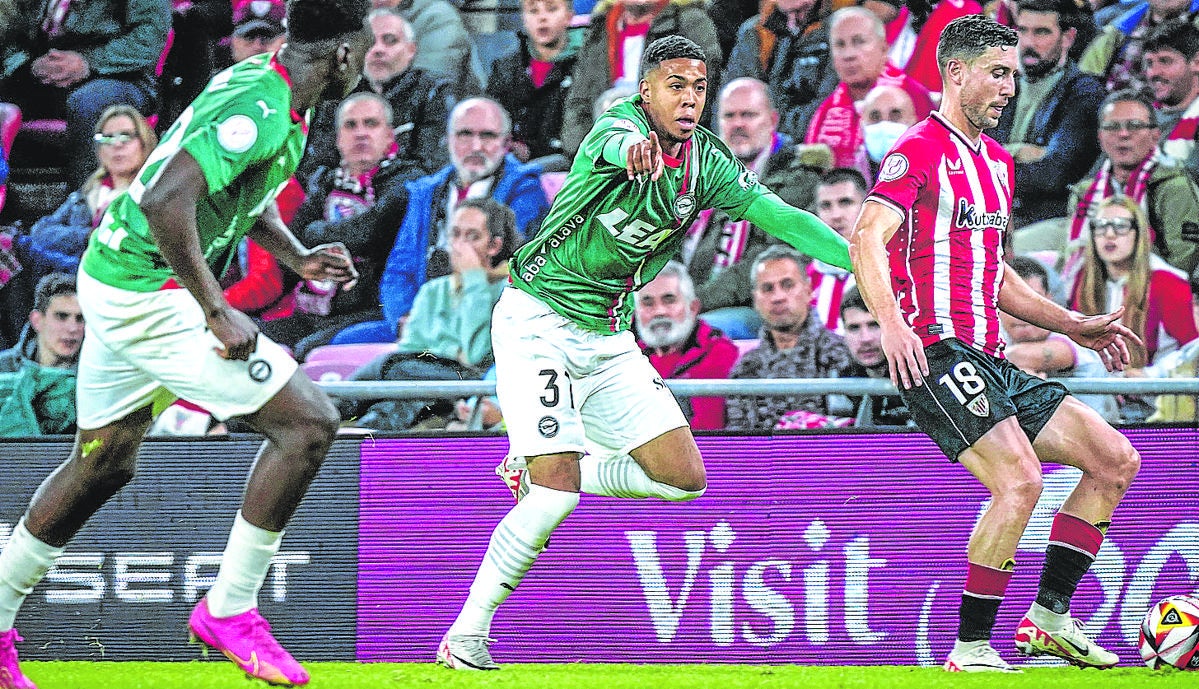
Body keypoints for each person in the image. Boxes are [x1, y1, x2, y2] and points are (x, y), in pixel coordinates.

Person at [437, 35, 852, 671]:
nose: (689, 99)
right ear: (646, 90)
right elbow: (610, 141)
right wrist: (629, 148)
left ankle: (545, 468)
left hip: (609, 336)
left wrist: (856, 262)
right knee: (553, 499)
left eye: (698, 89)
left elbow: (782, 217)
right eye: (675, 86)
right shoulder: (620, 128)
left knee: (684, 481)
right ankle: (467, 634)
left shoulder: (706, 162)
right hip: (538, 322)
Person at [0, 1, 371, 687]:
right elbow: (165, 199)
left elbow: (236, 191)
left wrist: (295, 257)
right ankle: (229, 610)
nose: (367, 63)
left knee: (103, 460)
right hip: (148, 291)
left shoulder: (276, 88)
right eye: (367, 50)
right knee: (309, 423)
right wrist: (215, 308)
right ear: (344, 55)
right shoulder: (260, 106)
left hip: (115, 276)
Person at [850, 14, 1142, 673]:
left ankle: (1047, 618)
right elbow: (866, 234)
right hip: (935, 351)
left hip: (993, 357)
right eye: (997, 73)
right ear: (955, 73)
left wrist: (1073, 324)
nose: (1009, 86)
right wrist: (891, 322)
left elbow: (994, 272)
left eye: (1012, 74)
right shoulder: (918, 148)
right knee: (1019, 480)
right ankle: (969, 647)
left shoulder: (997, 163)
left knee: (1112, 459)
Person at [340, 97, 550, 345]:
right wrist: (404, 318)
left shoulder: (525, 191)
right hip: (422, 317)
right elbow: (398, 270)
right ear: (449, 139)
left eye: (488, 136)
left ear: (506, 144)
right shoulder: (425, 192)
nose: (476, 146)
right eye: (465, 134)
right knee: (342, 342)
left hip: (486, 324)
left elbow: (518, 271)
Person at [341, 198, 516, 431]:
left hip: (471, 381)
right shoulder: (433, 290)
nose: (460, 245)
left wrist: (475, 281)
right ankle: (364, 423)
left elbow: (475, 354)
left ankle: (336, 410)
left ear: (494, 246)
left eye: (472, 236)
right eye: (455, 234)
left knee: (396, 367)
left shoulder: (507, 291)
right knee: (404, 378)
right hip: (419, 378)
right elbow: (410, 349)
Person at [683, 77, 832, 340]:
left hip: (750, 308)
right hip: (689, 301)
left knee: (703, 332)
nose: (738, 124)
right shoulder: (698, 176)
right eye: (729, 116)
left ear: (772, 121)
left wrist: (693, 303)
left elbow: (765, 261)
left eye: (748, 115)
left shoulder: (798, 179)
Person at [261, 92, 407, 359]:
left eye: (371, 124)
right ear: (338, 138)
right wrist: (314, 235)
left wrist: (317, 231)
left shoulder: (405, 181)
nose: (361, 133)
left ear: (389, 135)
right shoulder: (326, 179)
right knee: (253, 340)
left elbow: (367, 233)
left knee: (309, 353)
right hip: (311, 310)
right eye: (351, 125)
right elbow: (294, 242)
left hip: (367, 310)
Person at [0, 0, 170, 188]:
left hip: (120, 75)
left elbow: (147, 40)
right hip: (45, 70)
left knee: (89, 102)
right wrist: (29, 65)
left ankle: (86, 207)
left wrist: (88, 62)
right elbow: (13, 36)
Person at [298, 7, 456, 182]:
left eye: (390, 40)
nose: (378, 49)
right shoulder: (336, 94)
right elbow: (313, 167)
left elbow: (432, 169)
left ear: (411, 50)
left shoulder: (433, 92)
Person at [1065, 90, 1199, 289]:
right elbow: (1072, 254)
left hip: (1156, 292)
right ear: (1100, 137)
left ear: (1155, 135)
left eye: (1134, 126)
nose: (1123, 134)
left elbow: (1182, 263)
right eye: (1112, 127)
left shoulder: (1174, 186)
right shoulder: (1085, 192)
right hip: (1096, 290)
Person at [992, 0, 1105, 228]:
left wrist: (997, 157)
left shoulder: (1084, 93)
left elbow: (1052, 176)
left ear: (1068, 38)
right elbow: (969, 155)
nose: (1028, 43)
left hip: (1051, 220)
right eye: (1022, 31)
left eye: (1041, 32)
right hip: (996, 212)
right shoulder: (1000, 86)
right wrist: (1019, 151)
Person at [560, 0, 724, 156]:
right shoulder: (600, 28)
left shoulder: (690, 23)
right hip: (602, 150)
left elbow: (697, 98)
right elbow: (578, 103)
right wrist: (589, 151)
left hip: (667, 152)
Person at [23, 105, 157, 284]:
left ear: (144, 143)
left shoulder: (152, 195)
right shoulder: (87, 192)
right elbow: (41, 231)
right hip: (70, 280)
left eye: (126, 136)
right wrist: (89, 235)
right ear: (99, 150)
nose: (117, 144)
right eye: (107, 138)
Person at [725, 244, 853, 430]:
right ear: (755, 299)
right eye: (768, 288)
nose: (778, 297)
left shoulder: (840, 355)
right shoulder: (746, 368)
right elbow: (738, 439)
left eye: (787, 285)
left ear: (809, 290)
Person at [805, 7, 935, 175]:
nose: (848, 54)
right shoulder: (826, 111)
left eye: (859, 42)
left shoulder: (913, 98)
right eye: (840, 45)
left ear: (883, 48)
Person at [1071, 196, 1198, 368]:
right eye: (1100, 226)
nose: (1109, 234)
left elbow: (1192, 349)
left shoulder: (1168, 282)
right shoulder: (1081, 279)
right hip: (1099, 383)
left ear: (1140, 234)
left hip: (1155, 387)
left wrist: (1150, 375)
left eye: (1121, 226)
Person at [1002, 255, 1119, 422]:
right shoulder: (992, 329)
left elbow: (1018, 357)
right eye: (1012, 303)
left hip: (1093, 437)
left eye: (1032, 300)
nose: (1022, 313)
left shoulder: (1075, 327)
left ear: (1049, 300)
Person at [634, 261, 739, 430]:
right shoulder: (627, 358)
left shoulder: (720, 354)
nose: (659, 311)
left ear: (693, 307)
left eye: (669, 300)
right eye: (648, 303)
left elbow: (708, 433)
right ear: (636, 312)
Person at [721, 0, 836, 140]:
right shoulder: (755, 31)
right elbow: (733, 99)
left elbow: (828, 101)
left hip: (813, 140)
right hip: (762, 142)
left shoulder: (839, 29)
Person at [0, 273, 83, 437]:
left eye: (80, 319)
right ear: (37, 320)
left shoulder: (96, 378)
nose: (73, 328)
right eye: (62, 316)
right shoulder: (3, 369)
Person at [833, 286, 910, 426]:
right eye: (854, 328)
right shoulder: (839, 382)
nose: (865, 338)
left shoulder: (923, 378)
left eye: (874, 325)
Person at [809, 168, 865, 332]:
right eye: (826, 206)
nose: (836, 215)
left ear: (866, 207)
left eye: (845, 202)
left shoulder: (892, 267)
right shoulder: (804, 274)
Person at [1142, 17, 1199, 163]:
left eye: (1165, 61)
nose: (1154, 72)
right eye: (1149, 63)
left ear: (1196, 62)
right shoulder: (1135, 116)